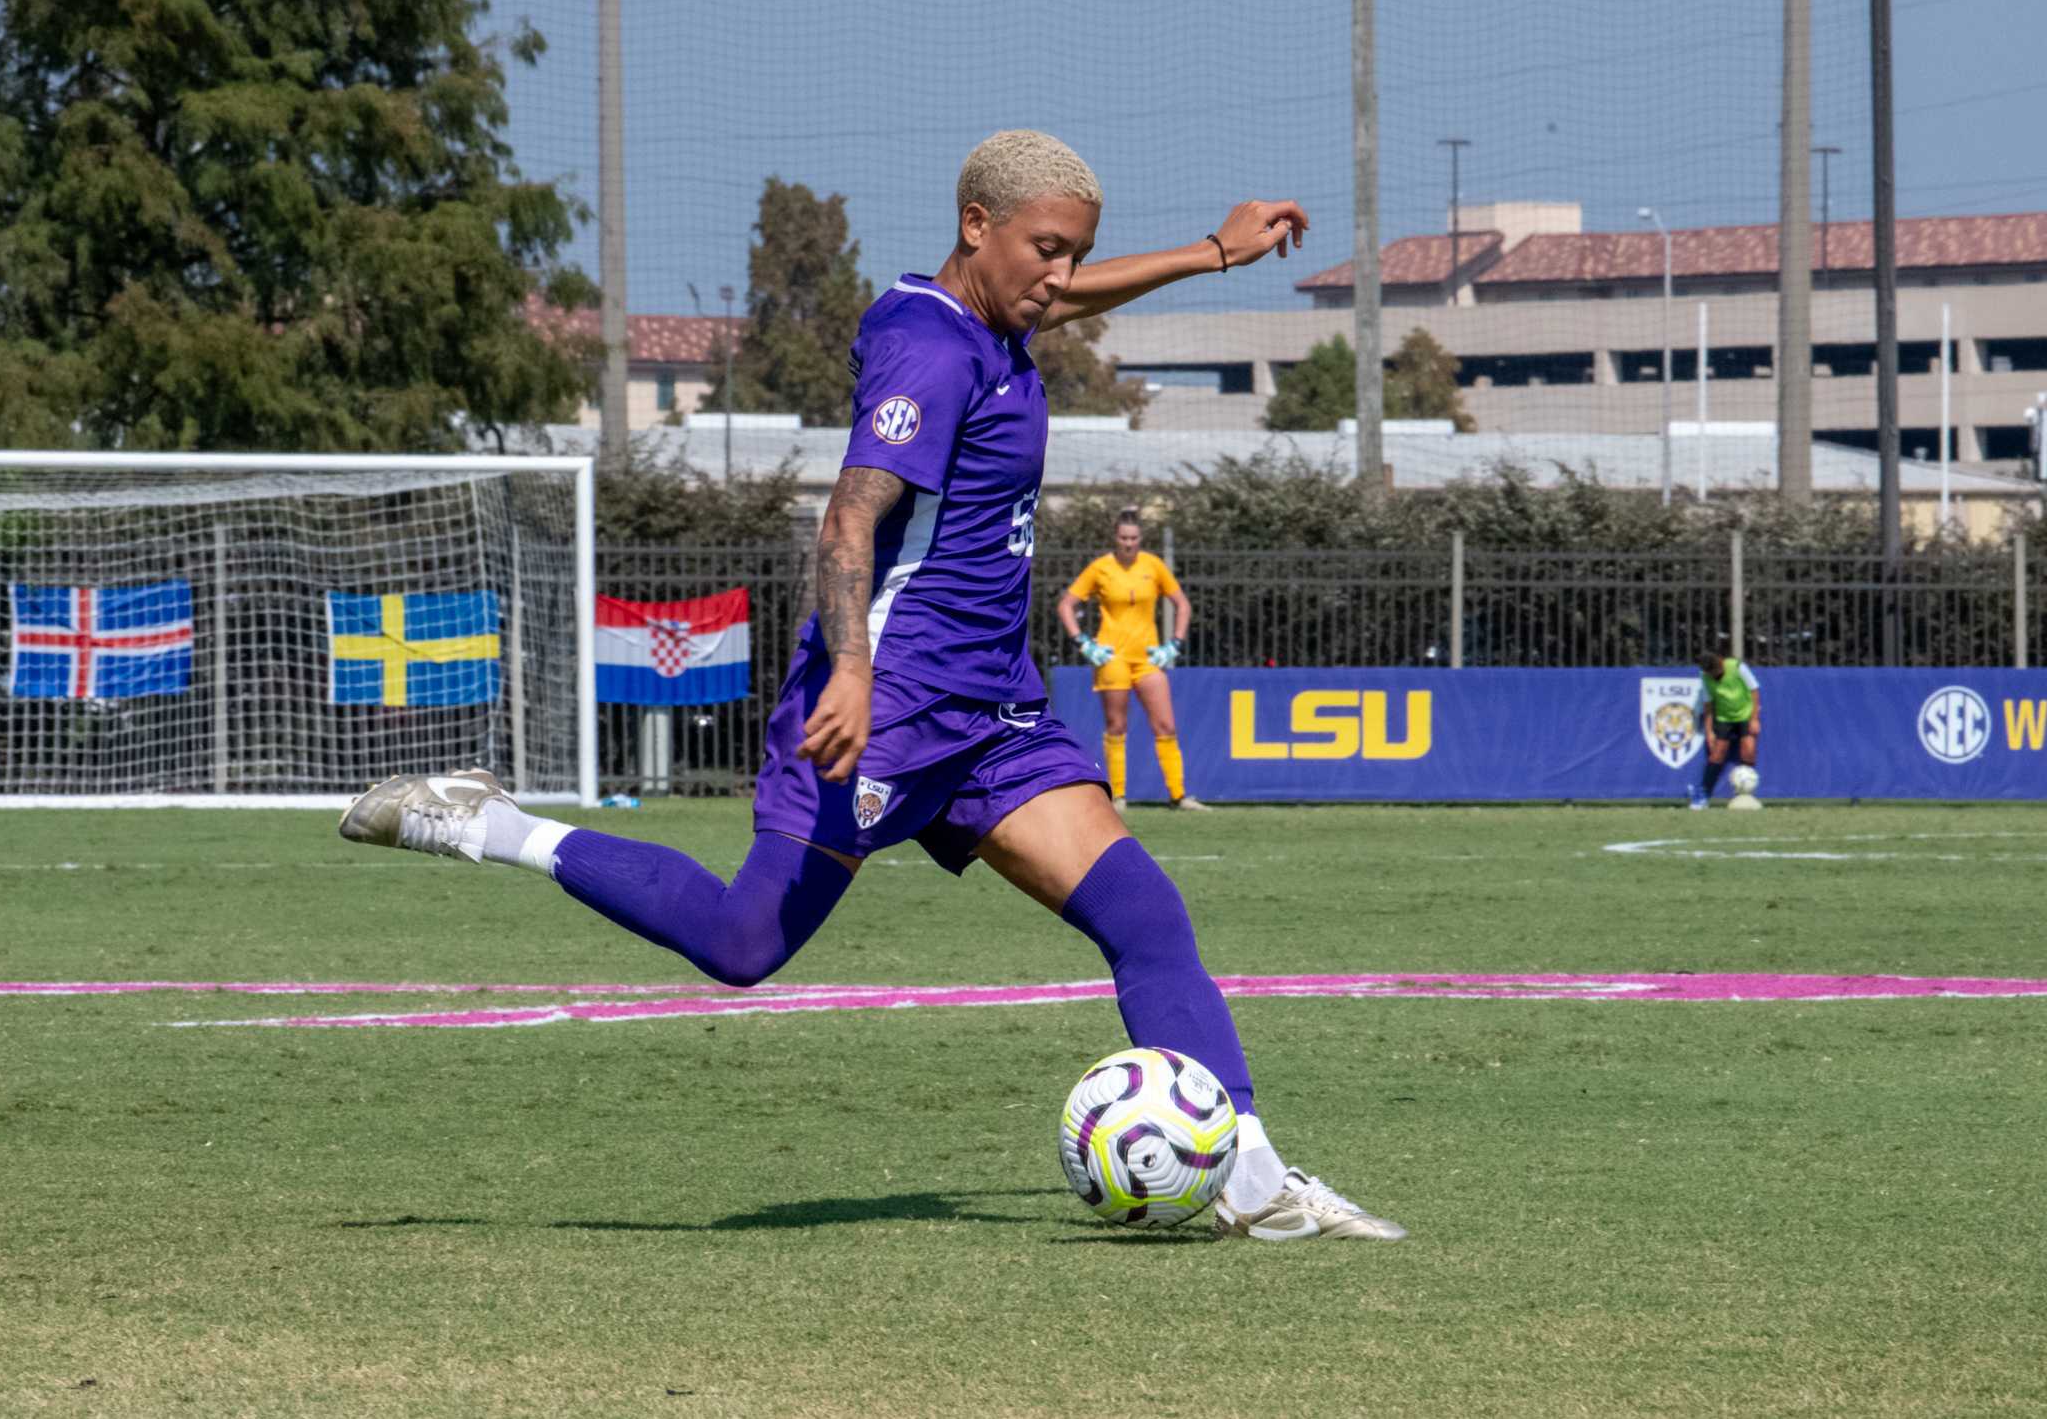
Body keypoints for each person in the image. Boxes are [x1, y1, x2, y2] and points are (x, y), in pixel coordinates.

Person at [338, 130, 1402, 1243]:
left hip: (993, 713)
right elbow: (850, 514)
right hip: (885, 708)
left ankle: (1252, 1181)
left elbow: (1060, 298)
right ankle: (488, 823)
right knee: (743, 943)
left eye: (1072, 254)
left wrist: (1210, 254)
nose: (1060, 276)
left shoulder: (991, 314)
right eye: (1045, 249)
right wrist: (849, 668)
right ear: (975, 227)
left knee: (1144, 915)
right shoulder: (929, 354)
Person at [1057, 508, 1207, 812]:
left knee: (1165, 724)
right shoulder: (1101, 568)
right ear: (1116, 538)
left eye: (1134, 538)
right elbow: (1066, 605)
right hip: (1112, 657)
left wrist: (1174, 644)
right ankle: (1118, 796)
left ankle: (1179, 795)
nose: (1129, 543)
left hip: (1148, 658)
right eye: (1124, 538)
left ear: (1141, 538)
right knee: (1116, 726)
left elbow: (1182, 604)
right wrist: (1084, 643)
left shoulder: (1153, 565)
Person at [1690, 650, 1761, 809]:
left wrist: (1754, 718)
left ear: (1720, 661)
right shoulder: (1705, 677)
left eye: (1715, 670)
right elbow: (1708, 705)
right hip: (1724, 718)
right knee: (1717, 754)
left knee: (1748, 750)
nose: (1714, 675)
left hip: (1745, 714)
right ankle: (1703, 795)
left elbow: (1754, 690)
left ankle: (1744, 795)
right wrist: (1709, 732)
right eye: (1709, 672)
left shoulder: (1737, 667)